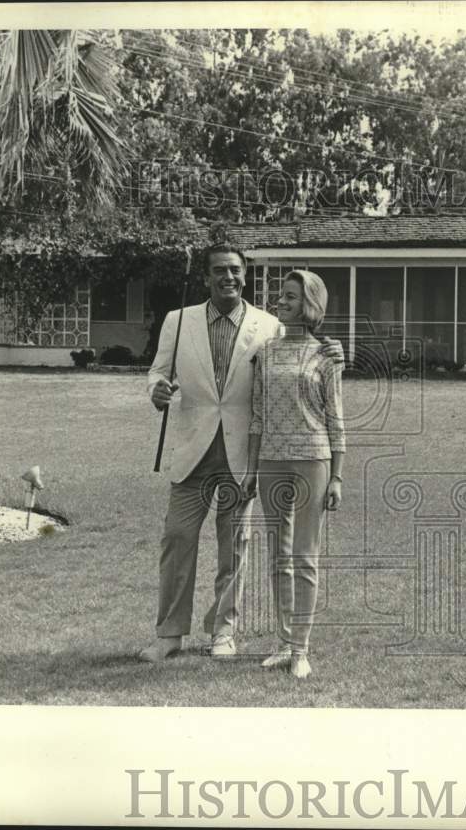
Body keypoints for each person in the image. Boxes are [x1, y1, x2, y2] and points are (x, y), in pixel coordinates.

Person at [139, 243, 281, 662]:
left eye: (235, 270)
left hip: (243, 450)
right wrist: (157, 391)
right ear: (206, 277)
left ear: (245, 275)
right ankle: (169, 634)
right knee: (178, 537)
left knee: (234, 543)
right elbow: (157, 371)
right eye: (219, 270)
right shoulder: (178, 321)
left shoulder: (269, 325)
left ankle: (223, 632)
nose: (229, 278)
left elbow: (276, 386)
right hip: (192, 448)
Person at [242, 270, 346, 679]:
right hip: (271, 462)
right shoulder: (266, 352)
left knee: (304, 557)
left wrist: (337, 475)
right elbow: (257, 417)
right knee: (278, 556)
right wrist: (251, 470)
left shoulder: (326, 355)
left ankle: (301, 648)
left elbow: (336, 417)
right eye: (280, 295)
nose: (280, 301)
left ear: (310, 305)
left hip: (312, 461)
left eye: (289, 296)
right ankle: (283, 642)